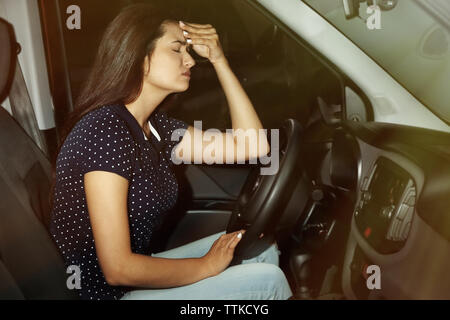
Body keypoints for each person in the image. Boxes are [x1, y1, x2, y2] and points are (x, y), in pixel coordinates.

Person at [49, 4, 292, 300]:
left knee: (256, 250)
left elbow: (253, 146)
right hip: (104, 294)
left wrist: (219, 60)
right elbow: (117, 268)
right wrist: (205, 266)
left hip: (128, 282)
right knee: (269, 282)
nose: (190, 60)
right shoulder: (106, 130)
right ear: (140, 56)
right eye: (177, 49)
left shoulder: (156, 128)